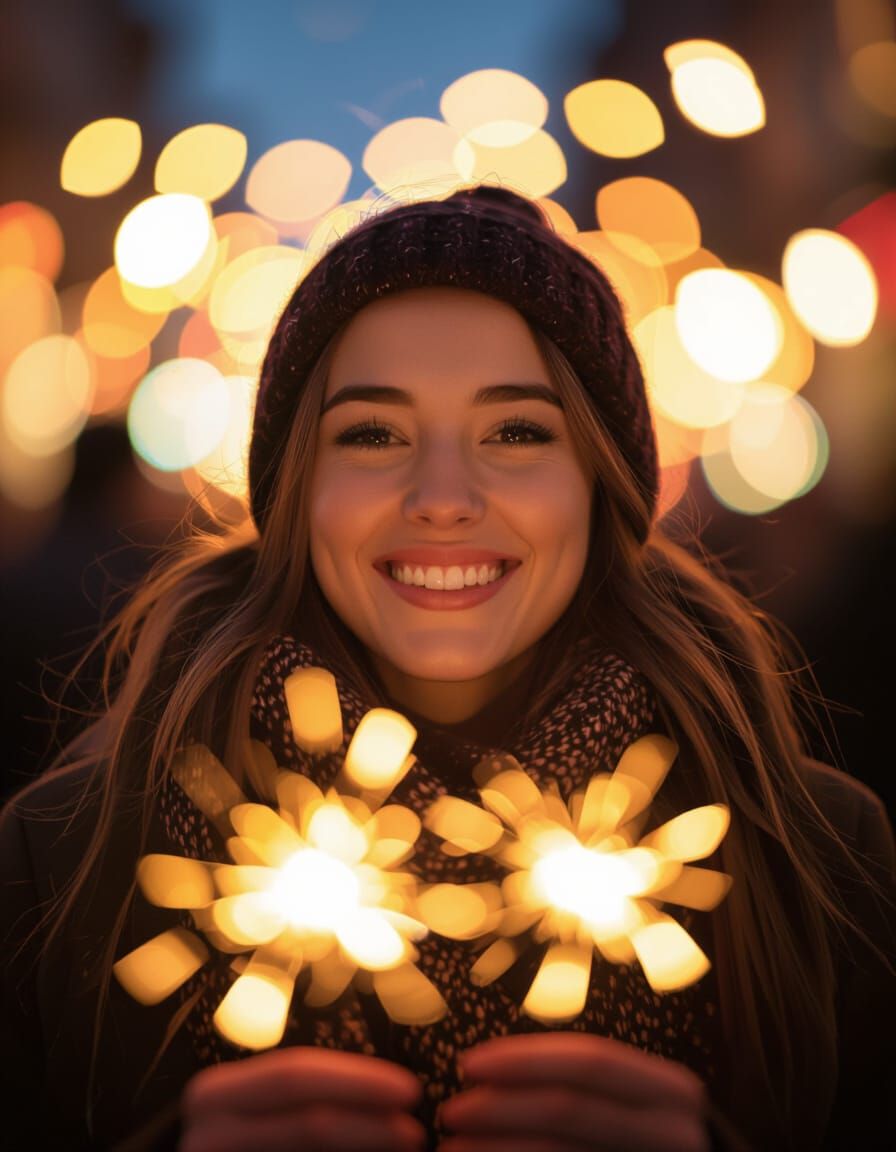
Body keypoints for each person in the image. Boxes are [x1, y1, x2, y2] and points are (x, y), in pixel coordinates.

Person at [1, 183, 893, 1152]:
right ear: (299, 486)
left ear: (598, 483)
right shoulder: (61, 861)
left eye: (514, 432)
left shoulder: (815, 859)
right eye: (372, 434)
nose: (441, 498)